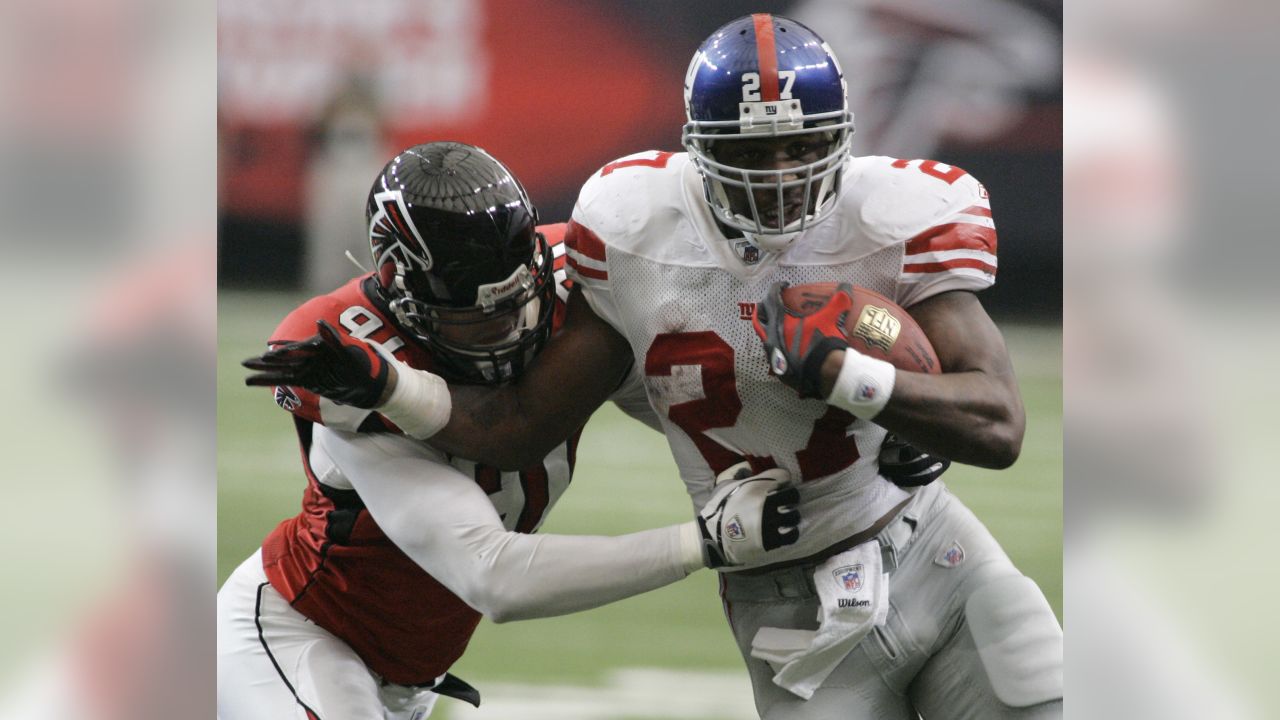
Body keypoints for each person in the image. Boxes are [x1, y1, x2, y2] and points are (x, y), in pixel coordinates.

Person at [245, 14, 1062, 718]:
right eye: (753, 150)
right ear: (695, 148)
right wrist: (392, 384)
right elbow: (518, 428)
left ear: (842, 139)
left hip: (926, 541)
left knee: (1040, 694)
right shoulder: (637, 236)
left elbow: (996, 423)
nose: (779, 175)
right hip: (786, 599)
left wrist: (874, 390)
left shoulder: (891, 214)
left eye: (800, 147)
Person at [220, 141, 806, 720]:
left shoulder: (569, 280)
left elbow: (682, 401)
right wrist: (701, 543)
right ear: (408, 297)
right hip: (305, 635)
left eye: (518, 303)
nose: (511, 331)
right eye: (480, 318)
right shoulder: (350, 367)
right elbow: (493, 574)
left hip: (410, 679)